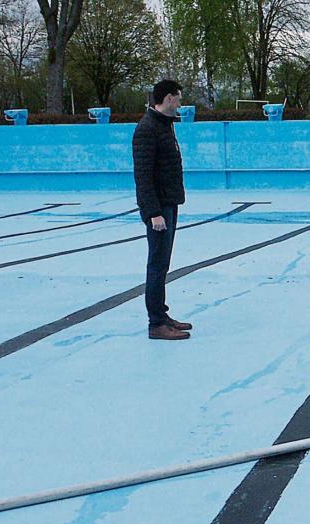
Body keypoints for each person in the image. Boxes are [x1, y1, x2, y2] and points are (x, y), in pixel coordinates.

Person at [133, 79, 193, 340]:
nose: (180, 103)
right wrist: (153, 212)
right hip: (159, 208)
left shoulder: (164, 126)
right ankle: (155, 323)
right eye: (178, 98)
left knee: (163, 263)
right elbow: (143, 176)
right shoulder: (147, 129)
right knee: (157, 264)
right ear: (168, 98)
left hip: (169, 202)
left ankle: (161, 313)